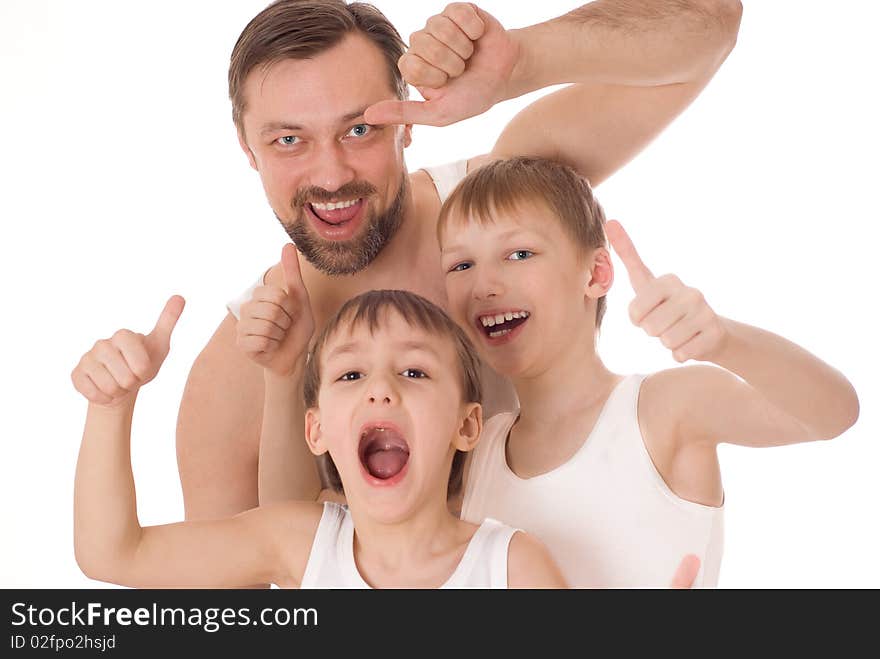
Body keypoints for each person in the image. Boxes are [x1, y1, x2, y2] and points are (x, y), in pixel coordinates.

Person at [161, 0, 744, 520]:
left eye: (360, 128)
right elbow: (233, 608)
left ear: (406, 125)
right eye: (289, 140)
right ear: (247, 149)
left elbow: (710, 22)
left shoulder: (502, 205)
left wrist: (523, 60)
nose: (331, 174)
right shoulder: (242, 371)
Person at [435, 156, 859, 587]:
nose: (484, 284)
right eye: (461, 265)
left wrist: (724, 341)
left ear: (596, 273)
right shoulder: (475, 453)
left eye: (519, 253)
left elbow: (834, 413)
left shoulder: (663, 411)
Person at [72, 278, 572, 588]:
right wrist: (112, 407)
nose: (380, 390)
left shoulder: (513, 569)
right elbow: (114, 554)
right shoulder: (297, 543)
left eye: (415, 372)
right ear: (316, 430)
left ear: (466, 425)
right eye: (351, 376)